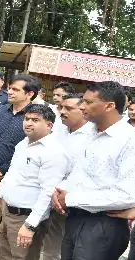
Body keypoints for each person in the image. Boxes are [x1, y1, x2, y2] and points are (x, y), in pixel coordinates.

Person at [52, 81, 135, 260]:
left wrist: (70, 198)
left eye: (88, 102)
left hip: (103, 224)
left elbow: (128, 195)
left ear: (109, 106)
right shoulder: (89, 133)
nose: (82, 107)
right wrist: (60, 190)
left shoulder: (132, 141)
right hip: (75, 217)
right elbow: (80, 171)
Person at [0, 104, 68, 260]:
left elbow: (48, 192)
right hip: (8, 212)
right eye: (26, 119)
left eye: (35, 120)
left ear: (49, 125)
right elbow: (12, 173)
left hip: (26, 217)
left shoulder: (53, 151)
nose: (28, 123)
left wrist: (30, 226)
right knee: (4, 256)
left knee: (23, 257)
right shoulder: (23, 143)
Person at [0, 74, 39, 260]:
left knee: (9, 223)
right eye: (10, 88)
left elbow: (26, 149)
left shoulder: (34, 117)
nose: (9, 92)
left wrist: (1, 170)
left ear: (29, 94)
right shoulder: (2, 110)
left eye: (15, 89)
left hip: (12, 178)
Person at [41, 93, 93, 260]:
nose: (62, 111)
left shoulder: (92, 136)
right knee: (50, 242)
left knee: (71, 245)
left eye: (68, 108)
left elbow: (84, 170)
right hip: (50, 195)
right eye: (61, 107)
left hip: (72, 200)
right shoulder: (57, 129)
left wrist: (62, 190)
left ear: (83, 110)